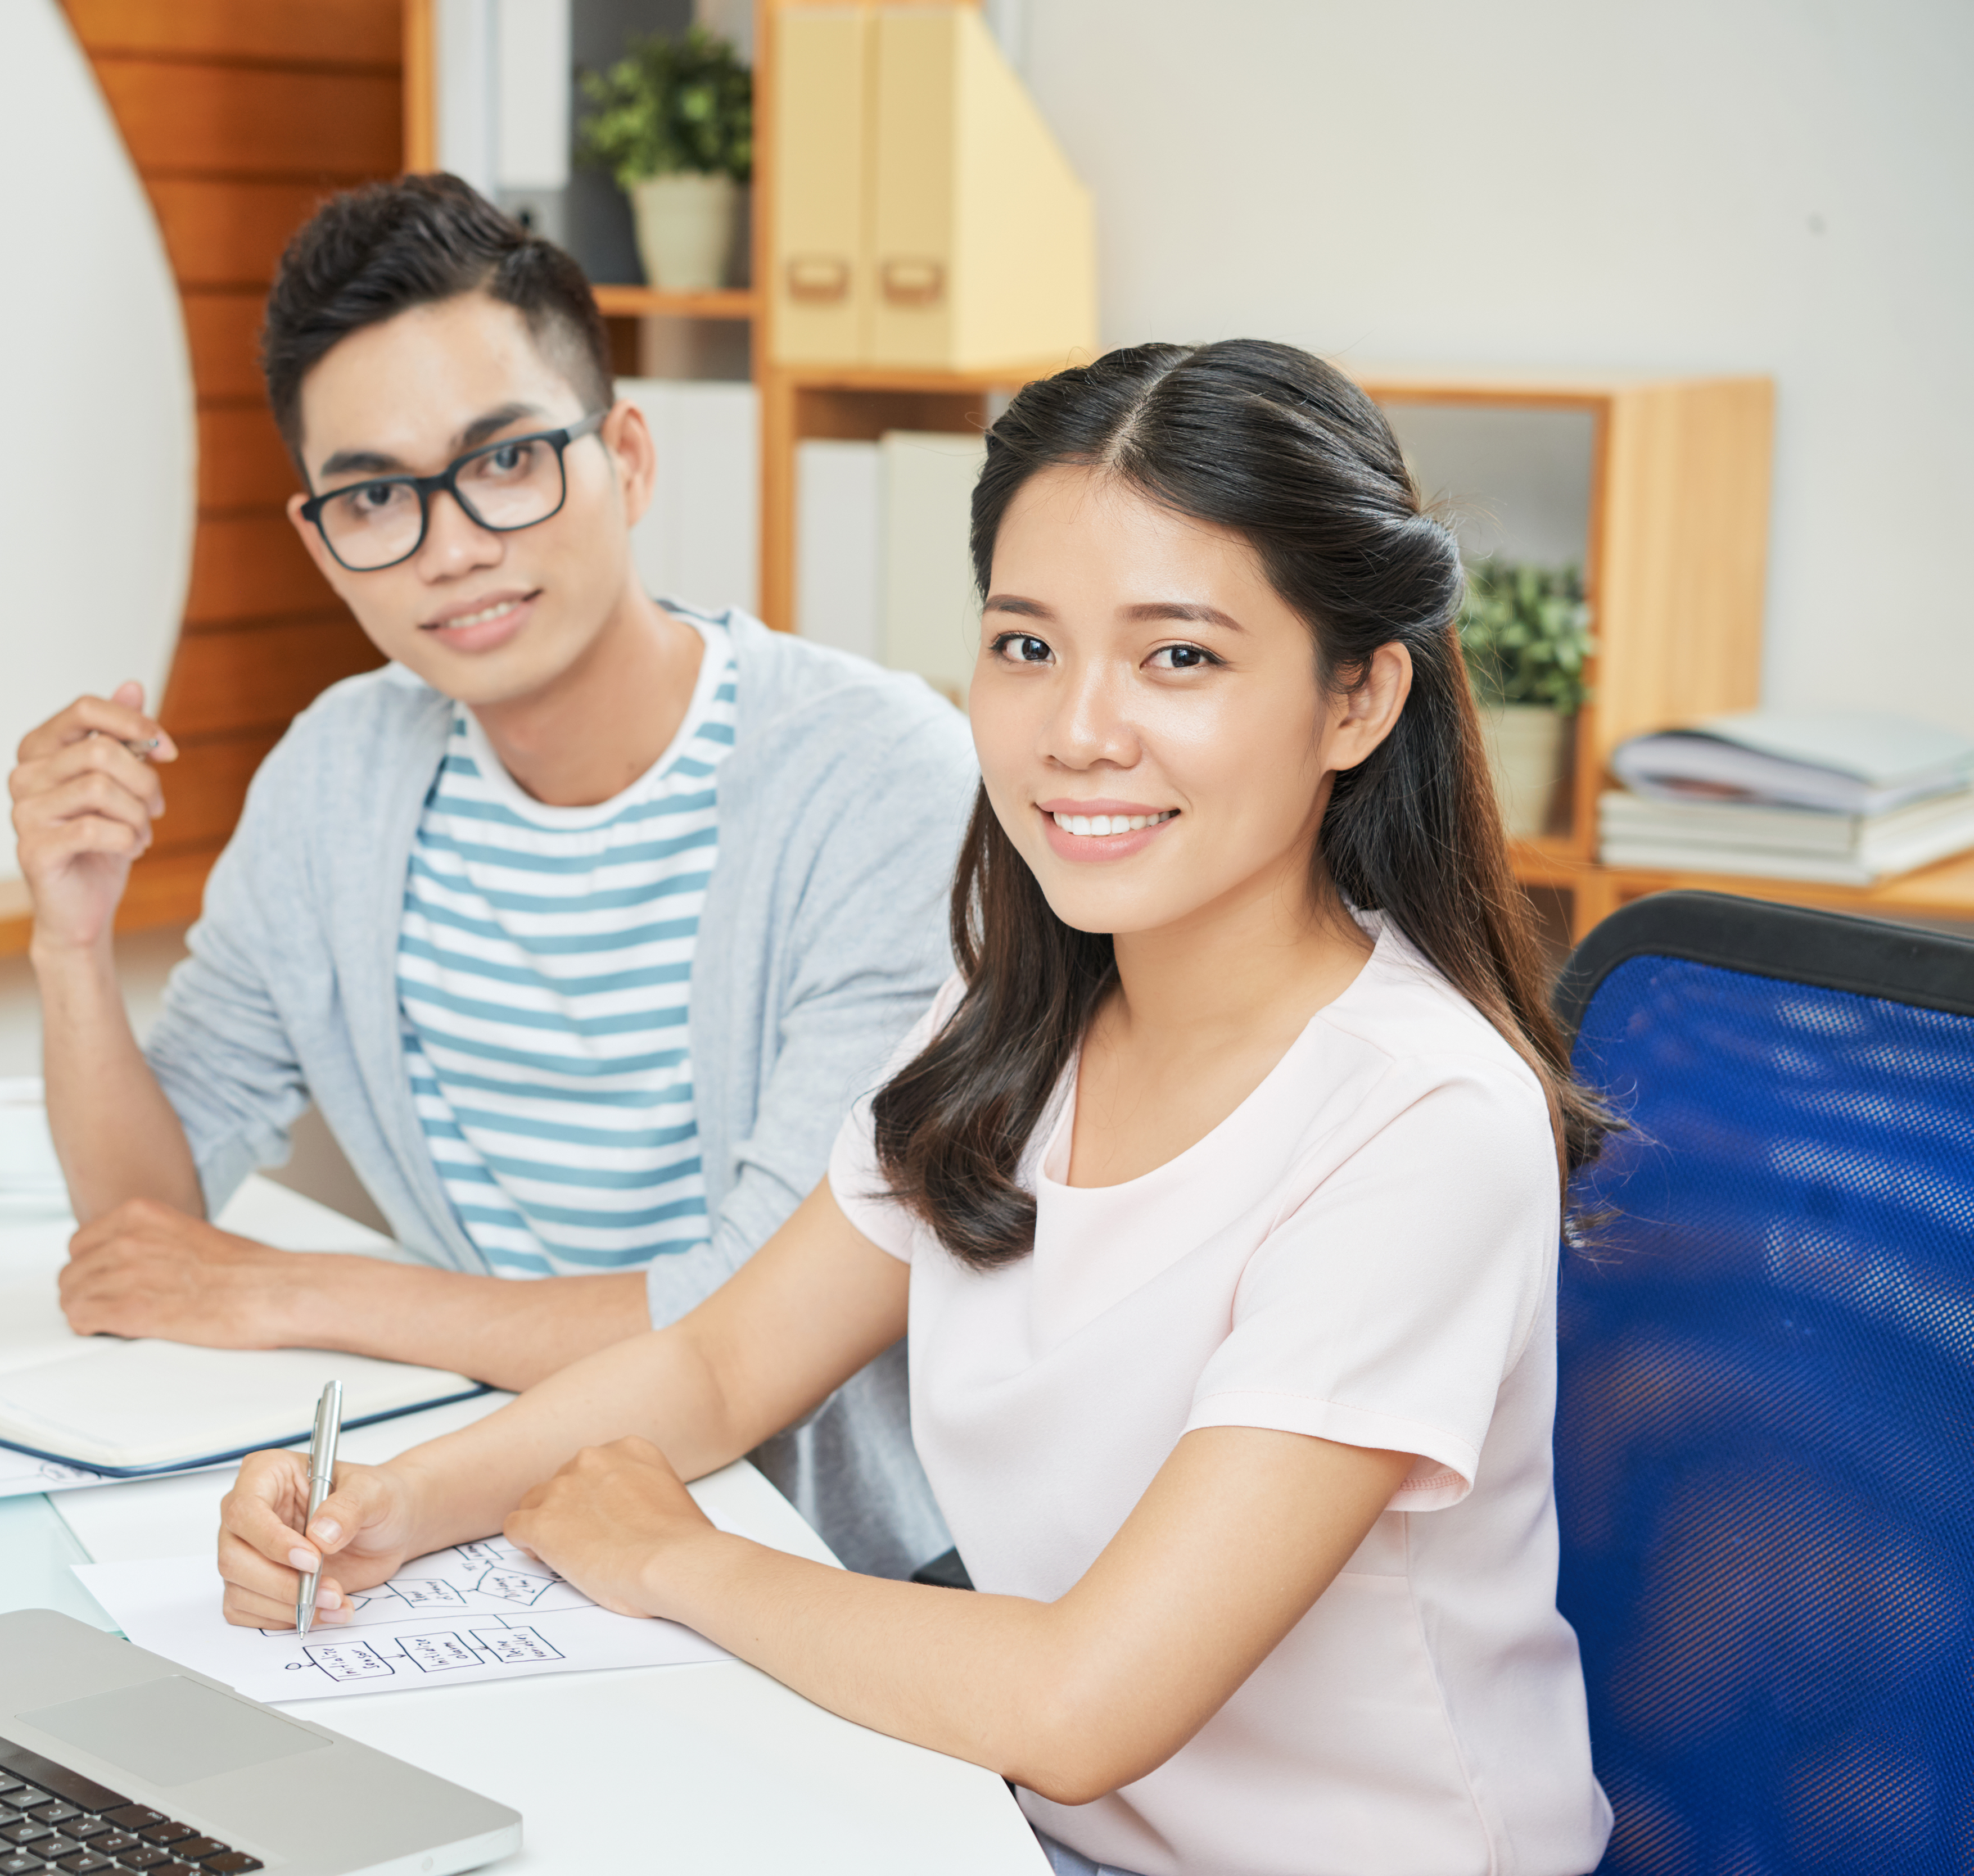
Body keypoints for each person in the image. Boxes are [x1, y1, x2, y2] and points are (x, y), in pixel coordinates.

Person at [215, 340, 1617, 1876]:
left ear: (1356, 700)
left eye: (1180, 658)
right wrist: (390, 1508)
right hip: (1009, 1832)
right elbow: (716, 1364)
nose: (1077, 728)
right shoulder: (1020, 1015)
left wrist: (675, 1557)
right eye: (1027, 647)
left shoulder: (1418, 1122)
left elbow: (1086, 1705)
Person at [6, 175, 977, 1578]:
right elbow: (145, 1237)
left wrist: (293, 1292)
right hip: (487, 1518)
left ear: (627, 459)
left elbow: (744, 1320)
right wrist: (69, 946)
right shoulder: (339, 774)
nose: (451, 545)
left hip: (818, 1557)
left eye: (506, 460)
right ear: (322, 541)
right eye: (374, 496)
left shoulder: (875, 780)